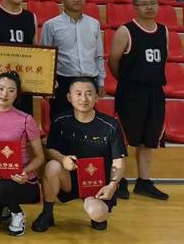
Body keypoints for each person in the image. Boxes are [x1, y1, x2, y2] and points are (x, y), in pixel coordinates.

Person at [32, 77, 127, 232]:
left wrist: (113, 184)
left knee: (98, 214)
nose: (83, 98)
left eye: (89, 94)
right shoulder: (60, 121)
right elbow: (49, 150)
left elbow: (119, 161)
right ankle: (47, 214)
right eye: (78, 94)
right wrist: (63, 159)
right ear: (69, 97)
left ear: (96, 97)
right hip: (70, 179)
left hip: (97, 184)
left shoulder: (110, 125)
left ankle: (97, 211)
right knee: (52, 166)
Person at [108, 0, 169, 201]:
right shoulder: (126, 31)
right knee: (124, 139)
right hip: (131, 92)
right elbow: (113, 61)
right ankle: (119, 181)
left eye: (153, 3)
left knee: (148, 139)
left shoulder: (164, 30)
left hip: (155, 92)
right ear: (135, 7)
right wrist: (127, 81)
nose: (149, 7)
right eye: (144, 4)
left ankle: (144, 182)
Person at [0, 71, 46, 236]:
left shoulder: (26, 119)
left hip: (21, 180)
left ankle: (17, 213)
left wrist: (24, 172)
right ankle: (4, 206)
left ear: (17, 94)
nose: (4, 94)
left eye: (11, 90)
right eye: (0, 89)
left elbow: (40, 157)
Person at [40, 0, 105, 120]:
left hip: (89, 80)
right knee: (61, 121)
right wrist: (47, 84)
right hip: (63, 82)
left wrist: (100, 82)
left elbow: (98, 56)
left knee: (87, 122)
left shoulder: (94, 24)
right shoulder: (51, 25)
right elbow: (45, 58)